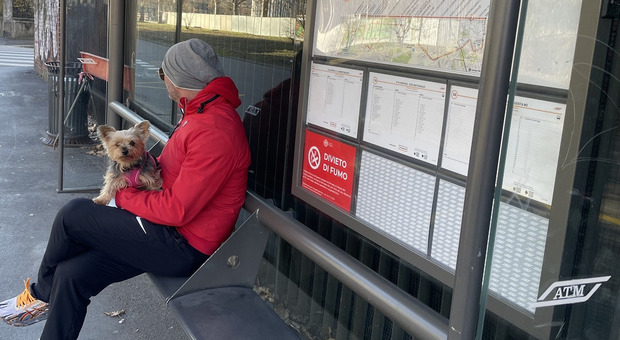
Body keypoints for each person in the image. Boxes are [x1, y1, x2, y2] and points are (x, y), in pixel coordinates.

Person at [0, 38, 251, 340]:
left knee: (73, 214)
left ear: (178, 79)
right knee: (70, 275)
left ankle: (40, 293)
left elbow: (178, 210)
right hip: (161, 230)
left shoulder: (214, 129)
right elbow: (174, 171)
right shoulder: (199, 114)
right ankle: (48, 294)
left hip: (180, 245)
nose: (163, 81)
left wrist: (122, 194)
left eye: (163, 74)